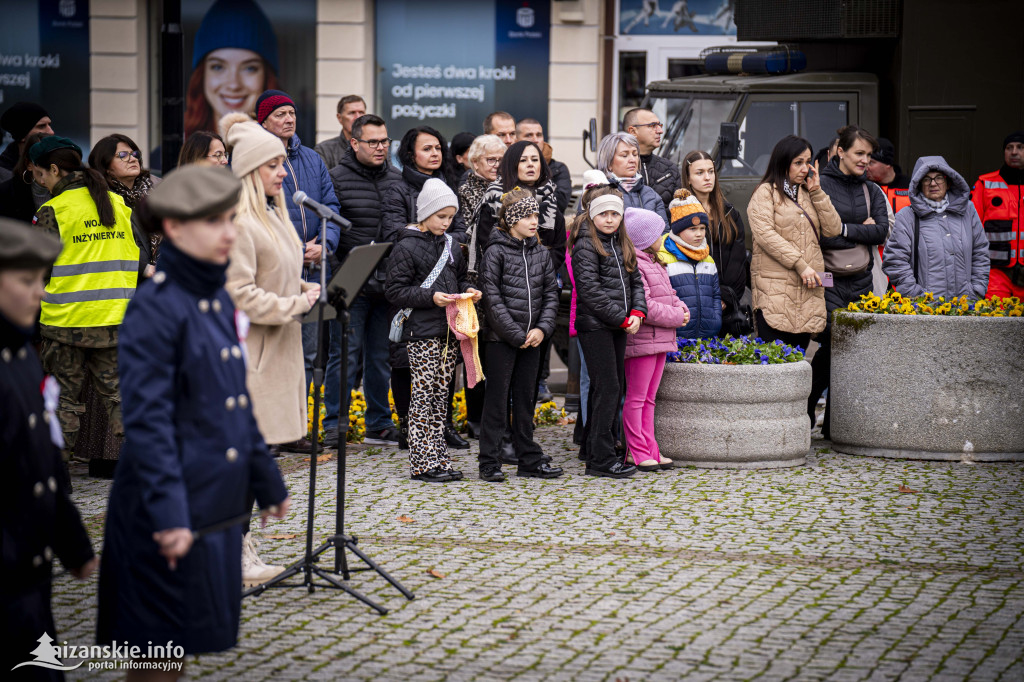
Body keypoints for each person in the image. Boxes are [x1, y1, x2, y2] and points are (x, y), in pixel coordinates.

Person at [96, 165, 290, 670]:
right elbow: (148, 423)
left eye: (231, 219)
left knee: (179, 650)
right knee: (155, 658)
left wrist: (266, 480)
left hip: (211, 510)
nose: (230, 232)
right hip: (166, 510)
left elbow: (234, 399)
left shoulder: (213, 298)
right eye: (214, 222)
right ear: (176, 228)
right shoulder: (156, 307)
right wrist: (169, 514)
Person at [219, 112, 316, 584]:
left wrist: (304, 288)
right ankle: (231, 553)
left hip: (279, 349)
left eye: (283, 163)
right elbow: (238, 292)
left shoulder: (274, 216)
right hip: (250, 358)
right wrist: (294, 303)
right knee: (240, 463)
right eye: (274, 165)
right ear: (251, 171)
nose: (283, 172)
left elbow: (275, 274)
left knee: (253, 459)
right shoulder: (240, 223)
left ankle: (238, 547)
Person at [0, 219, 97, 681]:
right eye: (25, 281)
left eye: (42, 279)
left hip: (29, 573)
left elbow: (44, 461)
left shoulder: (20, 353)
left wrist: (75, 548)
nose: (39, 292)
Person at [29, 136, 139, 462]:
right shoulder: (119, 205)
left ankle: (56, 480)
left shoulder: (53, 211)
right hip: (115, 322)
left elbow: (36, 269)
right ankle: (148, 470)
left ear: (53, 170)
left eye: (39, 175)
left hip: (66, 326)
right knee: (121, 400)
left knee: (63, 402)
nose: (40, 183)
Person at [256, 89, 341, 452]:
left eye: (291, 113)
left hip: (312, 272)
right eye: (280, 114)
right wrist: (290, 251)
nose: (289, 119)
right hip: (275, 274)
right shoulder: (254, 161)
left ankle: (294, 429)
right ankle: (266, 432)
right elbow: (255, 216)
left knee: (305, 355)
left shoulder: (311, 159)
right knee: (272, 354)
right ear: (262, 122)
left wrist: (326, 243)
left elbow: (330, 206)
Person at [385, 178, 481, 482]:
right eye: (441, 216)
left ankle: (439, 458)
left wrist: (468, 289)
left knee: (442, 396)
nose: (447, 222)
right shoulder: (406, 245)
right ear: (425, 213)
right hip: (421, 332)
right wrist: (430, 297)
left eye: (451, 217)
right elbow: (395, 291)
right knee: (423, 396)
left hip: (449, 330)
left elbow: (462, 276)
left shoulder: (452, 244)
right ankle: (422, 463)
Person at [382, 126, 468, 449]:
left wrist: (444, 239)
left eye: (438, 148)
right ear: (409, 153)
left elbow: (459, 234)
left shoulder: (447, 185)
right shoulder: (398, 189)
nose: (435, 153)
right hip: (413, 285)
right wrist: (421, 237)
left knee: (445, 364)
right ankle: (410, 427)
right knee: (406, 361)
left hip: (443, 283)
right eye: (427, 148)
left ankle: (441, 425)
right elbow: (396, 233)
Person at [327, 113, 402, 447]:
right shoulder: (335, 179)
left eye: (384, 140)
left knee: (379, 356)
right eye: (373, 141)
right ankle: (334, 424)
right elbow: (329, 230)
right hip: (350, 275)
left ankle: (379, 424)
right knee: (344, 354)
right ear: (354, 142)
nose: (380, 147)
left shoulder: (397, 179)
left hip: (386, 280)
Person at [477, 189, 562, 482]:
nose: (534, 220)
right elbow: (492, 298)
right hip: (502, 340)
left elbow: (551, 292)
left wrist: (542, 328)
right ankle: (489, 460)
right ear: (512, 220)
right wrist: (515, 334)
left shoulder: (539, 252)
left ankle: (528, 458)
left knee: (525, 400)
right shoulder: (495, 251)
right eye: (527, 215)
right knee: (497, 401)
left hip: (533, 339)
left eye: (536, 214)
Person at [811, 125, 890, 437]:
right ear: (840, 151)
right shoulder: (819, 186)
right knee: (832, 341)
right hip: (827, 279)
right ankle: (809, 403)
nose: (865, 161)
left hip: (861, 280)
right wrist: (856, 229)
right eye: (859, 153)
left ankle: (834, 423)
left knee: (851, 348)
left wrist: (843, 229)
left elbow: (881, 231)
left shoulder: (871, 190)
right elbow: (818, 234)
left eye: (869, 156)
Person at [477, 141, 566, 404]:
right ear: (512, 164)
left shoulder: (551, 198)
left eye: (535, 160)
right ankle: (495, 429)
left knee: (531, 369)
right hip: (504, 291)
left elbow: (558, 246)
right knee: (500, 374)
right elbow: (486, 245)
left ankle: (523, 430)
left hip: (539, 288)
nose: (531, 165)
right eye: (524, 160)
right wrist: (521, 266)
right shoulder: (495, 198)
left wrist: (536, 268)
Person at [570, 183, 646, 478]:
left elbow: (636, 281)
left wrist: (638, 312)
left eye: (616, 214)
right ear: (593, 216)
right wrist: (622, 319)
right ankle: (600, 459)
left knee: (613, 387)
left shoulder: (621, 243)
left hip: (617, 325)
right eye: (605, 214)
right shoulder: (587, 244)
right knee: (608, 387)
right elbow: (590, 290)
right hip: (596, 327)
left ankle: (595, 448)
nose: (611, 219)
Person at [746, 135, 842, 349]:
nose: (805, 168)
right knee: (773, 363)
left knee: (798, 363)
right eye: (798, 162)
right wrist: (800, 264)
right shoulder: (765, 192)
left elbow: (833, 229)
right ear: (783, 162)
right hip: (775, 291)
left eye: (808, 162)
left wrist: (817, 191)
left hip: (807, 292)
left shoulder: (809, 193)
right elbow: (765, 235)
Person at [622, 207, 689, 472]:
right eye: (659, 232)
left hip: (660, 339)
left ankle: (650, 447)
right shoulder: (635, 265)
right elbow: (646, 305)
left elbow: (670, 294)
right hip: (642, 342)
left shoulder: (654, 261)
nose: (663, 235)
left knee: (650, 399)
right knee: (637, 398)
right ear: (644, 237)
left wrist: (682, 308)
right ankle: (636, 450)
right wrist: (675, 316)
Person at [884, 156, 990, 300]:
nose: (933, 184)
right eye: (926, 179)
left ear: (948, 181)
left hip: (965, 307)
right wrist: (917, 296)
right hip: (924, 310)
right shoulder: (907, 216)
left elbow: (980, 252)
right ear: (918, 184)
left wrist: (976, 291)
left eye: (939, 177)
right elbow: (895, 260)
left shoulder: (968, 210)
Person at [457, 133, 505, 438]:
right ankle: (475, 417)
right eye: (491, 160)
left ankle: (493, 416)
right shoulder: (467, 189)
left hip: (501, 275)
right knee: (475, 350)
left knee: (495, 352)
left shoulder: (504, 188)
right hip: (475, 277)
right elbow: (472, 231)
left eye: (502, 159)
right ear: (475, 162)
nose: (497, 165)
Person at [185, 0, 280, 139]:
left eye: (249, 68)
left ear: (267, 77)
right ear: (201, 76)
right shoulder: (167, 156)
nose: (233, 84)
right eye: (218, 67)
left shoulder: (292, 157)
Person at [681, 150, 749, 336]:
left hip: (726, 302)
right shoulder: (680, 214)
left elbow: (738, 261)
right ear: (688, 178)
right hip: (695, 301)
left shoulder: (730, 213)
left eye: (711, 171)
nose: (707, 177)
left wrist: (725, 297)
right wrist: (706, 296)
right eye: (699, 173)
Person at [89, 134, 161, 272]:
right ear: (106, 166)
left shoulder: (158, 189)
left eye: (134, 154)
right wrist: (145, 268)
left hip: (162, 276)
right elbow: (109, 247)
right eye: (122, 155)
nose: (132, 159)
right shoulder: (100, 198)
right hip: (124, 279)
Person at [659, 189, 722, 339]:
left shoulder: (708, 259)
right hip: (676, 335)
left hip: (708, 334)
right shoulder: (663, 258)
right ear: (678, 231)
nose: (699, 234)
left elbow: (715, 295)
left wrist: (716, 319)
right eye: (692, 229)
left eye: (702, 229)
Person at [972, 131, 1024, 299]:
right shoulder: (985, 184)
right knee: (994, 319)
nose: (1014, 152)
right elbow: (972, 228)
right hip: (996, 273)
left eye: (1020, 147)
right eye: (1009, 148)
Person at [594, 132, 668, 225]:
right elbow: (585, 233)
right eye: (624, 155)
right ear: (609, 163)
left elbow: (664, 233)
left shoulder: (651, 194)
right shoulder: (596, 193)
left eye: (635, 154)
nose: (632, 160)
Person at [623, 107, 681, 208]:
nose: (660, 131)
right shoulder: (613, 169)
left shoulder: (670, 169)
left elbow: (680, 214)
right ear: (633, 131)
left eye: (659, 125)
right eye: (653, 125)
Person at [516, 118, 572, 212]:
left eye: (539, 135)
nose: (535, 140)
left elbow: (560, 203)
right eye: (529, 135)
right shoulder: (508, 165)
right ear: (517, 140)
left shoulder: (558, 169)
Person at [0, 131, 52, 223]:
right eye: (42, 163)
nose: (48, 170)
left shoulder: (69, 190)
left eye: (53, 163)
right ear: (29, 164)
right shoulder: (6, 193)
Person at [0, 101, 53, 182]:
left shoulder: (65, 164)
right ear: (22, 135)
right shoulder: (4, 175)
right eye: (41, 126)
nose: (51, 132)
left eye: (49, 125)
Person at [315, 95, 367, 171]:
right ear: (339, 118)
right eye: (352, 113)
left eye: (361, 112)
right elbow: (324, 181)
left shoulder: (376, 147)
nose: (357, 117)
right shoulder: (324, 150)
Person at [867, 137, 911, 215]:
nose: (866, 167)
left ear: (887, 164)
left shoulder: (910, 186)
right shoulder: (865, 187)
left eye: (871, 163)